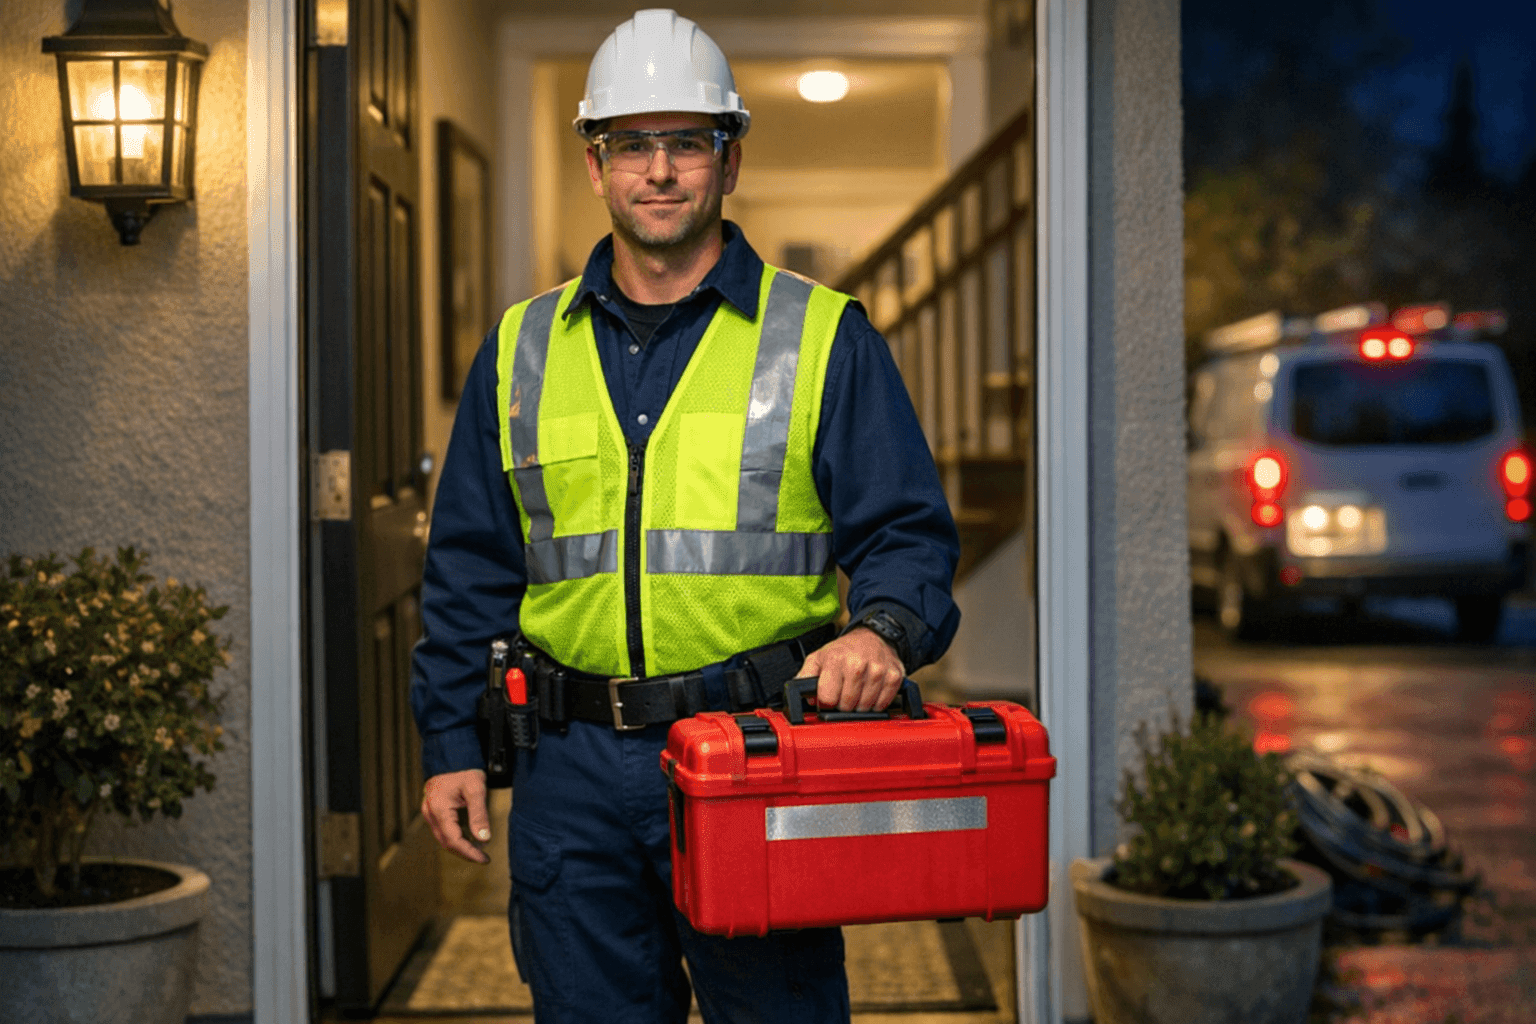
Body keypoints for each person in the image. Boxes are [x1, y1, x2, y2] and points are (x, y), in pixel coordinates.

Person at [410, 9, 960, 1022]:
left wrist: (882, 629)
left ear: (730, 158)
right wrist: (450, 740)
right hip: (568, 771)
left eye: (686, 142)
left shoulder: (823, 336)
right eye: (632, 143)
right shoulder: (523, 348)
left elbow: (907, 535)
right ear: (596, 165)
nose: (658, 169)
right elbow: (470, 569)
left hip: (756, 753)